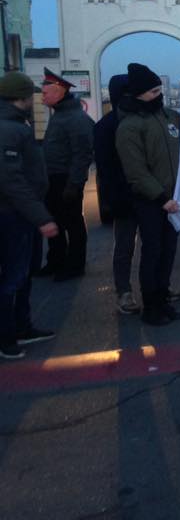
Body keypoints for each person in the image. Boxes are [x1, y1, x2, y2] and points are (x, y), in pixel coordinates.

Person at [115, 63, 180, 325]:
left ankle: (163, 297)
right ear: (139, 94)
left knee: (168, 250)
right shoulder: (130, 127)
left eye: (160, 89)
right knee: (153, 251)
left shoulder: (167, 116)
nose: (160, 95)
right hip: (151, 201)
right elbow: (136, 171)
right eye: (154, 91)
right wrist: (161, 199)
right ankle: (151, 305)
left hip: (173, 199)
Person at [0, 71, 58, 359]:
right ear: (22, 97)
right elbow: (12, 181)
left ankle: (21, 327)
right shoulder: (11, 129)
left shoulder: (13, 124)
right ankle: (7, 337)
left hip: (18, 212)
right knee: (13, 276)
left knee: (21, 274)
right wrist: (42, 217)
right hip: (13, 215)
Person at [36, 67, 94, 281]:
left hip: (66, 180)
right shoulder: (61, 114)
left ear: (59, 91)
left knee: (72, 223)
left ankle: (75, 265)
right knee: (56, 222)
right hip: (53, 179)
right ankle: (56, 261)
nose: (42, 96)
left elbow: (82, 154)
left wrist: (74, 184)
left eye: (45, 92)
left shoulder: (74, 118)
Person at [93, 74, 141, 314]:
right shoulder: (106, 126)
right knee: (124, 247)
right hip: (125, 197)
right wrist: (113, 200)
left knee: (153, 246)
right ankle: (124, 292)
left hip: (147, 196)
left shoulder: (142, 118)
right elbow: (105, 168)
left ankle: (156, 287)